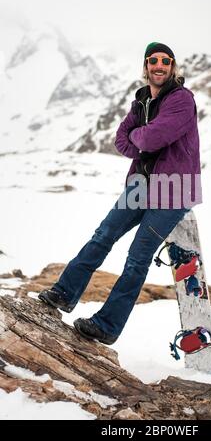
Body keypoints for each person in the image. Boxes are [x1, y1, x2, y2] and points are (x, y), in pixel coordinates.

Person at [38, 42, 202, 345]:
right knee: (103, 236)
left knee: (137, 259)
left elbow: (153, 137)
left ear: (172, 66)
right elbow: (120, 140)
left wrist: (140, 138)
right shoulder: (140, 100)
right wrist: (141, 140)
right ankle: (64, 293)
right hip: (139, 185)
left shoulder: (181, 100)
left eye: (166, 61)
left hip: (173, 191)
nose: (159, 65)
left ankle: (108, 326)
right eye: (153, 60)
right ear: (146, 66)